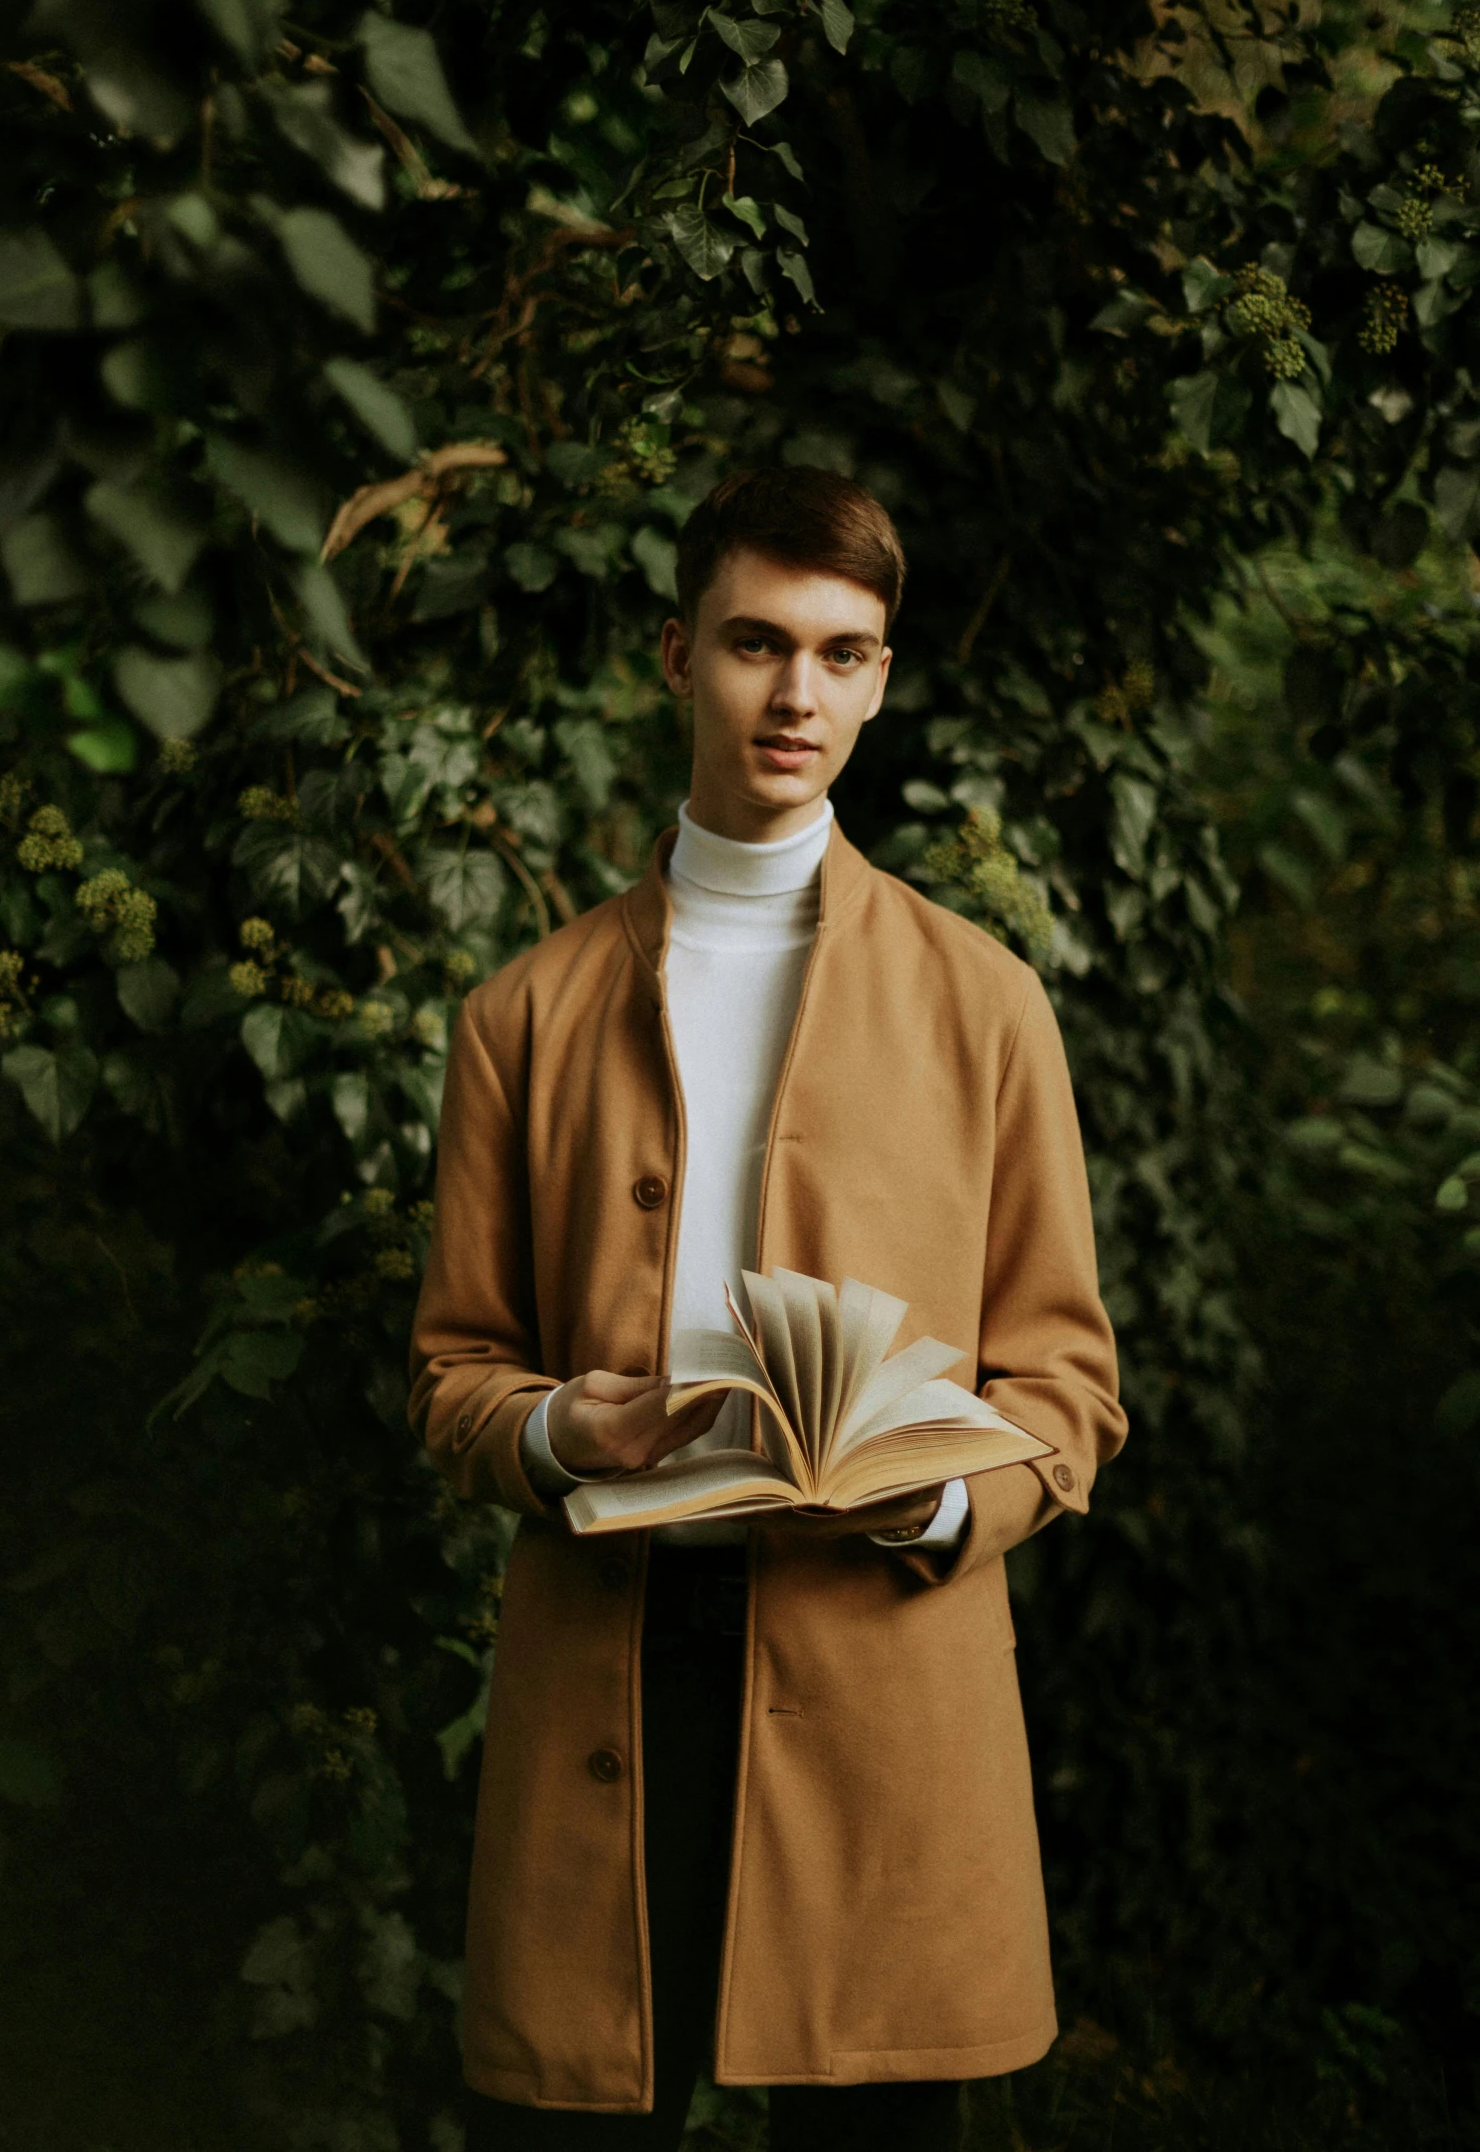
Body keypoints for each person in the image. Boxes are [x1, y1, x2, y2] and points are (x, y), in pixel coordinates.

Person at [408, 466, 1125, 2152]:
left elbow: (1067, 1382)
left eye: (839, 650)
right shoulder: (521, 1012)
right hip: (613, 1658)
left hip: (883, 1676)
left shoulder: (985, 1004)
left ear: (879, 676)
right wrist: (550, 1427)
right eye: (752, 642)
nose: (794, 693)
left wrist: (942, 1492)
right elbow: (450, 1371)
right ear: (676, 655)